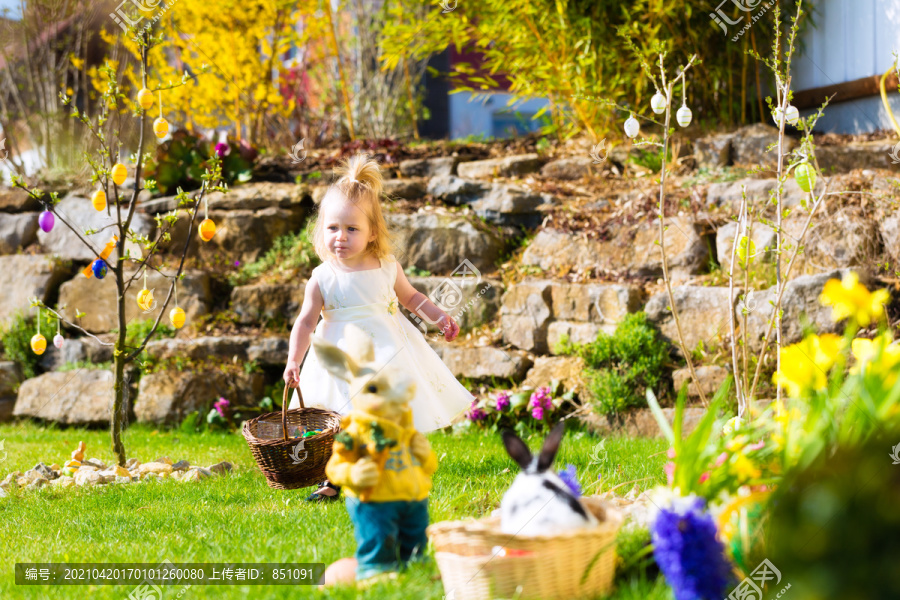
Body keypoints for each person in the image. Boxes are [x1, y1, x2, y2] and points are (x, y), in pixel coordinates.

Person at [283, 153, 475, 501]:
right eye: (332, 228)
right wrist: (293, 360)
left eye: (352, 229)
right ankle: (332, 480)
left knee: (380, 410)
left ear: (372, 232)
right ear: (321, 228)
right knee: (336, 418)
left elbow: (412, 298)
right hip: (338, 356)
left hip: (386, 350)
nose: (340, 237)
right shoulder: (323, 277)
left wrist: (439, 316)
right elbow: (306, 321)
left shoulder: (386, 266)